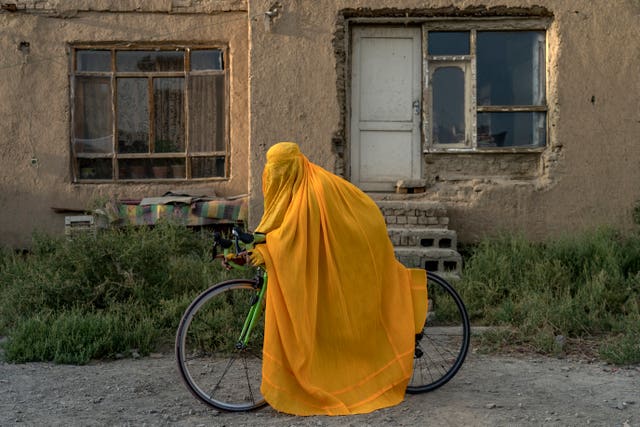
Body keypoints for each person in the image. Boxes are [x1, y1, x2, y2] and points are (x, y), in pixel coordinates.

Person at [250, 142, 427, 416]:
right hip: (348, 231)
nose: (274, 175)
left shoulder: (311, 192)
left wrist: (267, 250)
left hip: (356, 239)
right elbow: (284, 224)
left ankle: (363, 363)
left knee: (350, 304)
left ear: (293, 166)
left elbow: (292, 239)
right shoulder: (299, 181)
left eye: (279, 169)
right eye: (271, 169)